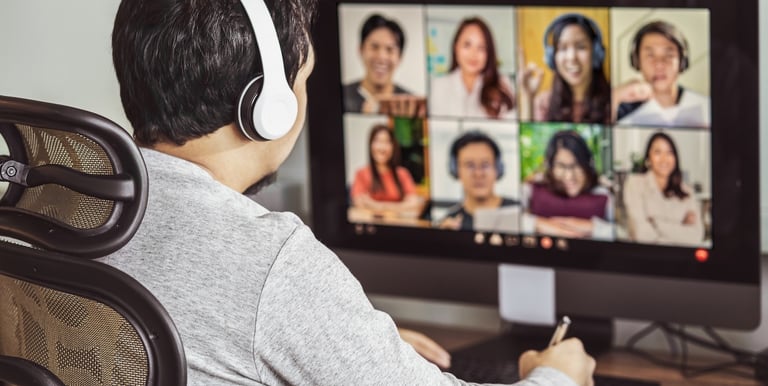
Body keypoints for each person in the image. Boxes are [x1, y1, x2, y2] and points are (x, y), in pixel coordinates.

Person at [104, 0, 595, 384]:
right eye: (306, 78)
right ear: (266, 105)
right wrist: (558, 376)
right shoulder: (272, 265)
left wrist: (336, 340)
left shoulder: (74, 204)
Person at [612, 21, 710, 128]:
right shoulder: (619, 109)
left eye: (669, 55)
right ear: (637, 60)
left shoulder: (706, 107)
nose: (659, 64)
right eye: (650, 55)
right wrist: (615, 96)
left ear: (682, 61)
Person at [521, 130, 613, 240]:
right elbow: (507, 219)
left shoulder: (603, 193)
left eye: (577, 165)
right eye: (561, 166)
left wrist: (592, 227)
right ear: (550, 167)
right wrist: (540, 225)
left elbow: (625, 232)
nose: (569, 176)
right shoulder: (533, 187)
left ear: (588, 164)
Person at [520, 13, 611, 124]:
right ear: (552, 58)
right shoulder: (543, 103)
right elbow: (527, 139)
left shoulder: (612, 101)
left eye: (581, 47)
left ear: (596, 53)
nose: (571, 57)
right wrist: (528, 97)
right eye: (563, 48)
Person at [622, 132, 704, 245]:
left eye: (669, 152)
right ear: (648, 158)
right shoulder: (635, 184)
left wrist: (656, 223)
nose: (664, 159)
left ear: (675, 158)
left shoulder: (687, 191)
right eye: (657, 152)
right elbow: (641, 235)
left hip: (680, 260)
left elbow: (696, 237)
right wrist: (680, 228)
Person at [429, 17, 516, 119]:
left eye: (481, 47)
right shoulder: (439, 86)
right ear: (456, 47)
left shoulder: (503, 84)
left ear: (489, 52)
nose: (473, 54)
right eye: (467, 45)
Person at [343, 14, 425, 117]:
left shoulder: (411, 103)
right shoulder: (341, 95)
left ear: (400, 57)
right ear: (361, 50)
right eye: (374, 47)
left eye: (390, 49)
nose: (381, 57)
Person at [440, 131, 519, 231]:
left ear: (498, 168)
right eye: (469, 165)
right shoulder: (449, 221)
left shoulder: (518, 211)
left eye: (485, 165)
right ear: (456, 170)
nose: (478, 174)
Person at [350, 124, 424, 217]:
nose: (382, 147)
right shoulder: (361, 173)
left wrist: (377, 206)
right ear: (370, 145)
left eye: (387, 142)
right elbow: (359, 204)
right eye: (378, 141)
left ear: (393, 147)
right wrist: (399, 206)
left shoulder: (402, 174)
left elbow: (414, 204)